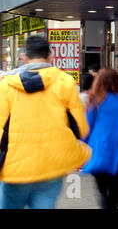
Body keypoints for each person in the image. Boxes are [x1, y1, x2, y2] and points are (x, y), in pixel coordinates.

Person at [0, 36, 91, 209]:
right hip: (51, 168)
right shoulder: (65, 82)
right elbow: (81, 128)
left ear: (24, 57)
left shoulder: (6, 86)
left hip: (15, 170)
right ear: (50, 56)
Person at [81, 68, 118, 209]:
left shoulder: (95, 100)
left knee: (101, 189)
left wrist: (83, 147)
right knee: (116, 187)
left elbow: (87, 127)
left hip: (100, 150)